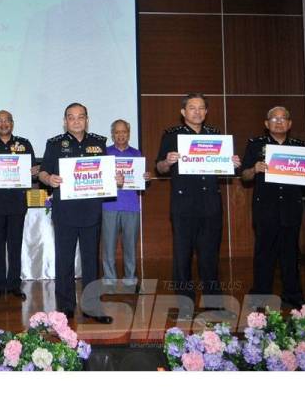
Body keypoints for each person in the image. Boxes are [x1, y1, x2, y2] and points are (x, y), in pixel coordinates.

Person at [155, 93, 240, 318]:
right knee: (182, 258)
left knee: (210, 256)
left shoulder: (215, 136)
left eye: (201, 108)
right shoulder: (171, 136)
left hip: (211, 204)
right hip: (183, 205)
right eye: (192, 108)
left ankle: (214, 304)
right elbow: (160, 168)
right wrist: (167, 161)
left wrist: (233, 163)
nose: (197, 112)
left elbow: (228, 169)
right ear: (183, 112)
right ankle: (185, 305)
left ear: (206, 111)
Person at [38, 102, 122, 324]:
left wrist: (116, 180)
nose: (76, 121)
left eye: (80, 117)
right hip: (65, 211)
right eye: (71, 117)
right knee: (64, 261)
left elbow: (106, 174)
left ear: (87, 119)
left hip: (91, 211)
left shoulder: (98, 143)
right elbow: (43, 172)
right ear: (65, 121)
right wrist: (49, 179)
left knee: (91, 262)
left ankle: (91, 307)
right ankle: (65, 307)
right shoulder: (55, 144)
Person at [241, 106, 305, 309]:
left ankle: (293, 296)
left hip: (291, 208)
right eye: (274, 119)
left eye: (283, 119)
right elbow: (244, 176)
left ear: (289, 124)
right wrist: (254, 169)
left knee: (290, 253)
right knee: (264, 253)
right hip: (265, 208)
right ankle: (261, 297)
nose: (279, 122)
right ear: (266, 123)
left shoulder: (300, 148)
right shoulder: (255, 145)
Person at [0, 110, 39, 301]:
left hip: (17, 204)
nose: (3, 124)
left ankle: (14, 285)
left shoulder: (24, 144)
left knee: (15, 245)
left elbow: (33, 173)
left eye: (7, 120)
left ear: (12, 123)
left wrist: (35, 172)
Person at [101, 119, 150, 287]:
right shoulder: (105, 153)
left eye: (124, 132)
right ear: (112, 134)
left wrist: (146, 178)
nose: (121, 135)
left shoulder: (137, 154)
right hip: (109, 205)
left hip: (132, 206)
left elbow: (141, 179)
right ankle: (109, 278)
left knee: (130, 245)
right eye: (117, 132)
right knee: (108, 246)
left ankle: (130, 278)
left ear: (128, 134)